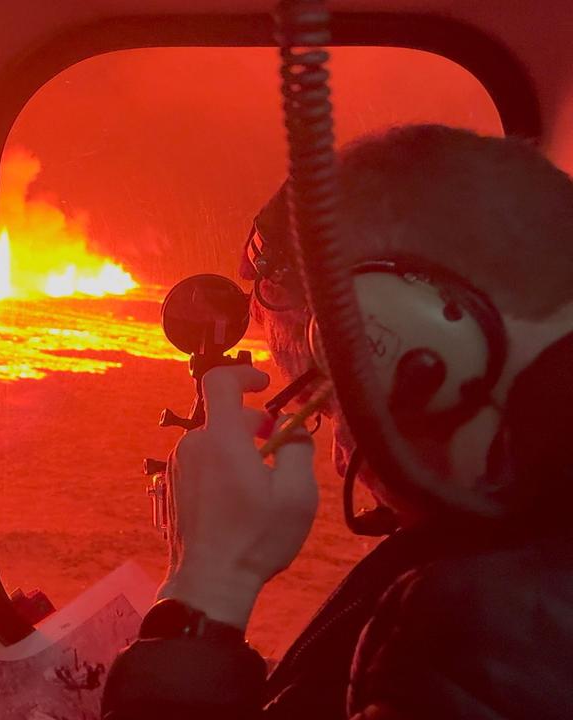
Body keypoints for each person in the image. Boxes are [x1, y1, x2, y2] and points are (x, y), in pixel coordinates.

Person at [101, 124, 573, 719]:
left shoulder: (482, 638)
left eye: (328, 399)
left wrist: (206, 592)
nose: (341, 456)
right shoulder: (519, 551)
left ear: (431, 353)